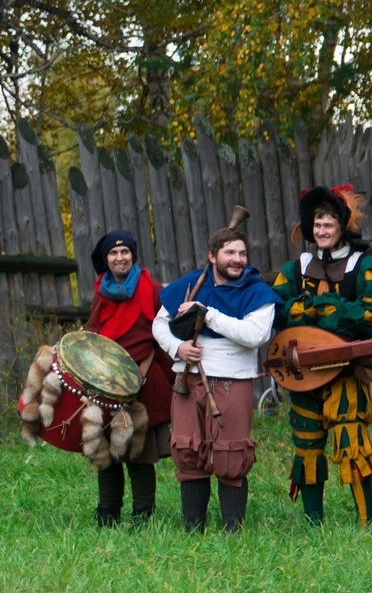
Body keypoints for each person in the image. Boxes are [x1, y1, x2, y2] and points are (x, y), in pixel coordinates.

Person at [272, 185, 372, 525]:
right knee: (307, 448)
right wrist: (307, 309)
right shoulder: (296, 268)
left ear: (343, 225)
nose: (322, 231)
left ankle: (365, 522)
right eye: (316, 225)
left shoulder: (363, 265)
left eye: (328, 224)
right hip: (303, 373)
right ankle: (314, 524)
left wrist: (335, 309)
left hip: (347, 372)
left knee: (352, 443)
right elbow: (275, 309)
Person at [154, 208, 280, 533]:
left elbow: (255, 335)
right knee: (187, 449)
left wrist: (207, 314)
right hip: (187, 378)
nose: (238, 259)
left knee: (230, 455)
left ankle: (232, 533)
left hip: (231, 382)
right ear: (213, 256)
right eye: (230, 253)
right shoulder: (191, 285)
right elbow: (159, 324)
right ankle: (193, 531)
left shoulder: (258, 293)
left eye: (242, 253)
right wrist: (177, 348)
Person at [83, 229, 174, 526]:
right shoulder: (100, 293)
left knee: (140, 454)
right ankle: (107, 514)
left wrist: (175, 382)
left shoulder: (154, 289)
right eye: (113, 253)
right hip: (106, 385)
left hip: (142, 384)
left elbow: (164, 338)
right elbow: (93, 334)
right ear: (106, 260)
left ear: (133, 256)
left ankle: (142, 517)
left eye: (125, 252)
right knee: (106, 452)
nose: (120, 258)